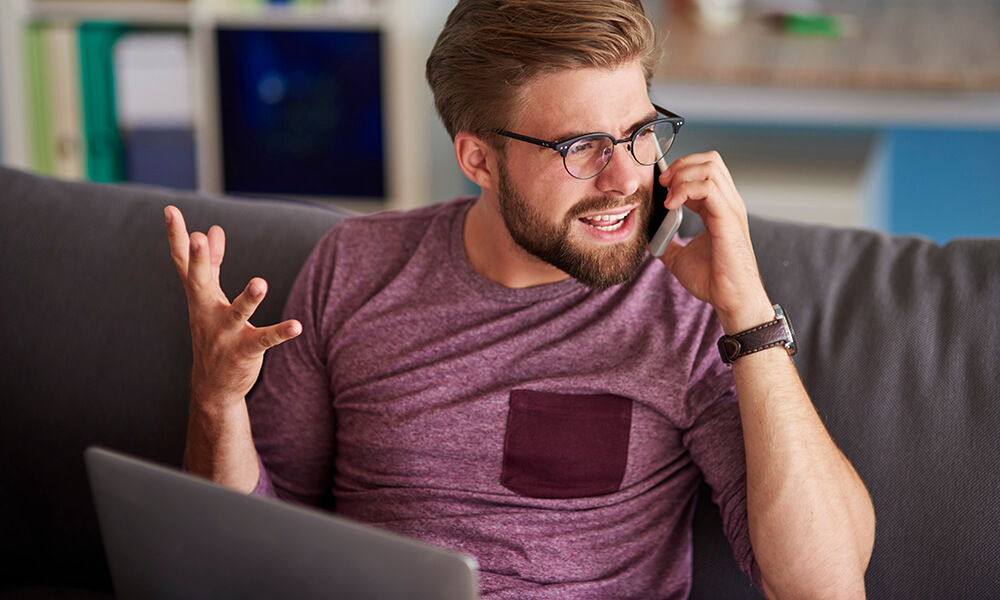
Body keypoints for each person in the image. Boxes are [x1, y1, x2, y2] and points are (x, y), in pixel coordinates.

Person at [165, 0, 875, 597]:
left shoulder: (689, 309)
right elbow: (257, 541)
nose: (625, 178)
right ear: (478, 158)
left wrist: (746, 312)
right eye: (581, 147)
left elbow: (825, 584)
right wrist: (216, 402)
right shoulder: (356, 267)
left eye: (638, 133)